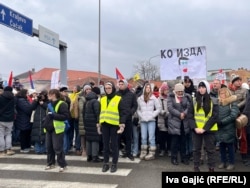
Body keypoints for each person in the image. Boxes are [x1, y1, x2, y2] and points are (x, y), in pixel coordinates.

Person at [97, 81, 127, 173]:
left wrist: (122, 124)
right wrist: (98, 124)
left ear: (113, 88)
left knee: (114, 145)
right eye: (106, 88)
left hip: (114, 125)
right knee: (105, 145)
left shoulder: (118, 99)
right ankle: (105, 163)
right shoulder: (102, 99)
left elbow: (123, 113)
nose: (107, 90)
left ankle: (114, 164)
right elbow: (100, 112)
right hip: (105, 124)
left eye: (109, 88)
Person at [189, 80, 219, 172]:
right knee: (196, 150)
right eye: (200, 87)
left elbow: (215, 116)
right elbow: (190, 115)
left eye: (203, 87)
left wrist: (205, 128)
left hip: (209, 130)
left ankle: (211, 168)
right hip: (197, 130)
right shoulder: (194, 100)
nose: (201, 89)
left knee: (210, 150)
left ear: (207, 88)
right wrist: (195, 127)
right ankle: (196, 167)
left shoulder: (213, 100)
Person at [44, 89, 69, 172]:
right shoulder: (49, 104)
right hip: (49, 128)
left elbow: (65, 116)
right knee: (49, 147)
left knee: (57, 148)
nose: (47, 96)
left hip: (57, 129)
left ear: (54, 94)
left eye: (49, 94)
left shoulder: (62, 104)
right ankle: (50, 163)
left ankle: (62, 164)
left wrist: (53, 115)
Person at [167, 83, 192, 165]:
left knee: (183, 141)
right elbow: (170, 108)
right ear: (175, 91)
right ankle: (174, 158)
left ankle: (183, 157)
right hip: (174, 122)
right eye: (179, 91)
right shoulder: (171, 97)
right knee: (174, 142)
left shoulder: (187, 97)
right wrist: (179, 114)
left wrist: (184, 114)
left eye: (181, 91)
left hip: (184, 122)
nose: (180, 93)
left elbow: (189, 107)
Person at [216, 87, 239, 170]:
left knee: (230, 147)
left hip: (229, 128)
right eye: (220, 93)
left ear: (227, 93)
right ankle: (223, 162)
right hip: (220, 128)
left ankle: (231, 163)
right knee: (221, 146)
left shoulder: (232, 103)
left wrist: (222, 122)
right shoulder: (218, 103)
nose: (221, 95)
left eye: (223, 93)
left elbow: (233, 115)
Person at [137, 82, 160, 160]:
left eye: (149, 88)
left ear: (151, 89)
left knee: (151, 137)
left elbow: (158, 108)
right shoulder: (140, 99)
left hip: (151, 120)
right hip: (143, 120)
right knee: (143, 137)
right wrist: (142, 115)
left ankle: (152, 152)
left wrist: (152, 115)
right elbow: (138, 109)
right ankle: (143, 151)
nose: (148, 89)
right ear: (144, 89)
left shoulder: (154, 98)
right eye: (146, 88)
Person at [228, 75, 248, 164]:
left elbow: (246, 100)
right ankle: (232, 154)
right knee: (231, 135)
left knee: (242, 136)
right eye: (237, 80)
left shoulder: (244, 90)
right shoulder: (229, 91)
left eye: (240, 80)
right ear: (233, 82)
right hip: (231, 115)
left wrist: (237, 106)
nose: (239, 82)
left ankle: (244, 155)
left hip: (241, 115)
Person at [117, 79, 138, 161]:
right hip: (118, 119)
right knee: (118, 137)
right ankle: (117, 152)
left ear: (126, 85)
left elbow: (135, 105)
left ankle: (128, 153)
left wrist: (131, 112)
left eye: (122, 84)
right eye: (120, 84)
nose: (120, 85)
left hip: (128, 119)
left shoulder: (131, 95)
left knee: (128, 137)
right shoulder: (116, 94)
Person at [84, 90, 103, 162]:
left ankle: (89, 156)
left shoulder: (87, 102)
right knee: (95, 139)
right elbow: (97, 113)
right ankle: (95, 156)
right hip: (94, 123)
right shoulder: (95, 102)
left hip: (87, 123)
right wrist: (98, 122)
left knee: (89, 139)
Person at [30, 90, 49, 154]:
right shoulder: (37, 102)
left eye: (43, 96)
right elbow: (31, 107)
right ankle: (37, 150)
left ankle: (44, 150)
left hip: (45, 120)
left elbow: (49, 108)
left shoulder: (48, 102)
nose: (42, 97)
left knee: (44, 135)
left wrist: (43, 104)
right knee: (37, 135)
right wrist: (36, 101)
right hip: (37, 120)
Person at [0, 86, 15, 156]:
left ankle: (2, 150)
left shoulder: (1, 97)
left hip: (1, 119)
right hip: (10, 119)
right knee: (9, 134)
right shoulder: (13, 98)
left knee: (1, 135)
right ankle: (8, 149)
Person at [157, 82, 170, 157]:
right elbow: (158, 109)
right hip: (161, 120)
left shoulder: (170, 98)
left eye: (167, 90)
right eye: (165, 90)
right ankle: (162, 149)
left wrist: (169, 113)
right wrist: (164, 112)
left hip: (169, 120)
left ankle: (169, 149)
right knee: (162, 136)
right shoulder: (159, 99)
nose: (166, 91)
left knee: (169, 137)